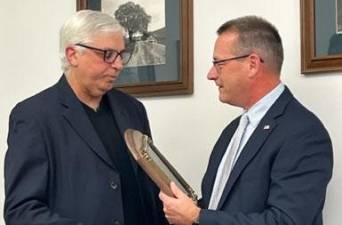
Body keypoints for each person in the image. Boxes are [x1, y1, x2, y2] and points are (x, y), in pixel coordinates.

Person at [159, 15, 333, 225]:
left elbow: (287, 221)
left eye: (218, 63)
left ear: (252, 64)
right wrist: (189, 211)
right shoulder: (232, 131)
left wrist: (197, 217)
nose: (211, 74)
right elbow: (219, 207)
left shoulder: (304, 134)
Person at [4, 10, 168, 225]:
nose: (118, 64)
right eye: (108, 54)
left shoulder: (133, 109)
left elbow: (150, 189)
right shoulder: (33, 116)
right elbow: (21, 211)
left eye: (121, 54)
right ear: (73, 55)